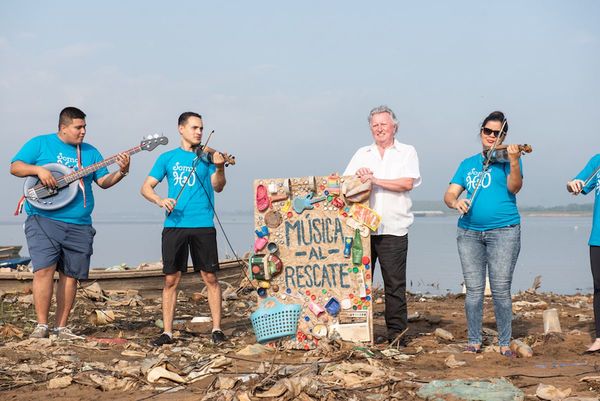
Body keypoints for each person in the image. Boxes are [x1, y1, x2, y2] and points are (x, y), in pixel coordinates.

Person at [10, 106, 131, 340]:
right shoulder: (40, 144)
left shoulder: (90, 151)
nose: (83, 131)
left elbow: (104, 181)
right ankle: (41, 326)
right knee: (44, 269)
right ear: (63, 128)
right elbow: (15, 167)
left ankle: (61, 328)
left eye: (85, 126)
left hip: (79, 223)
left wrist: (122, 172)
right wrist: (38, 170)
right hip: (44, 219)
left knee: (70, 274)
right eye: (78, 127)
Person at [141, 112, 227, 346]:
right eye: (194, 128)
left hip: (203, 224)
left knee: (210, 276)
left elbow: (218, 187)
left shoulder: (208, 159)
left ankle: (217, 328)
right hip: (175, 225)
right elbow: (146, 187)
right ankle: (167, 332)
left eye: (201, 128)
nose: (199, 132)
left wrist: (220, 168)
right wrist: (160, 200)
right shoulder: (167, 158)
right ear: (181, 129)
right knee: (171, 279)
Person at [443, 111, 523, 356]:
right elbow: (449, 194)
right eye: (487, 131)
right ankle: (474, 340)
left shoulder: (508, 159)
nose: (491, 136)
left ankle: (504, 342)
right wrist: (456, 203)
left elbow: (515, 187)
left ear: (504, 136)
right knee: (474, 291)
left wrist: (514, 160)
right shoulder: (468, 163)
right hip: (468, 233)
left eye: (497, 133)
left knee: (500, 290)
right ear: (481, 132)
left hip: (504, 231)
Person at [343, 105, 421, 345]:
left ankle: (397, 336)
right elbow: (345, 187)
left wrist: (374, 180)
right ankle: (356, 334)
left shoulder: (407, 151)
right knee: (358, 284)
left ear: (394, 126)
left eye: (383, 124)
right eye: (375, 125)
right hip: (362, 231)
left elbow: (407, 183)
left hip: (393, 229)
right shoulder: (362, 153)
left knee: (394, 285)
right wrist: (359, 177)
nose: (379, 129)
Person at [567, 154, 600, 353]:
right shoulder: (597, 161)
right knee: (599, 287)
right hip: (598, 237)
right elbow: (575, 186)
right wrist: (572, 184)